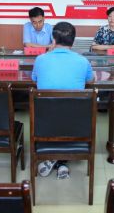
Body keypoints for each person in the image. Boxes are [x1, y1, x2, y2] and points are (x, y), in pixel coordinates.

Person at [31, 21, 94, 179]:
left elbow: (34, 79)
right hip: (76, 125)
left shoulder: (40, 59)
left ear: (53, 40)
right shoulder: (82, 61)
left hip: (44, 123)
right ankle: (61, 162)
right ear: (73, 41)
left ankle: (55, 158)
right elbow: (91, 80)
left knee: (55, 114)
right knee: (68, 113)